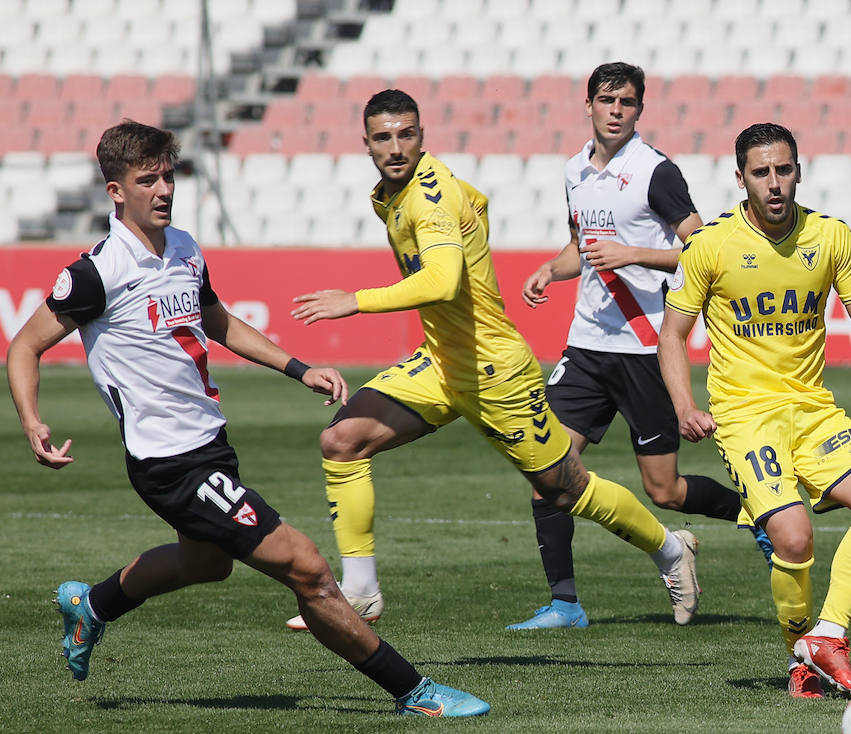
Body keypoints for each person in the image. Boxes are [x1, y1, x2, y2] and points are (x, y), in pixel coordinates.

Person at [7, 120, 486, 717]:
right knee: (307, 567)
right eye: (146, 180)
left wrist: (298, 368)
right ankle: (415, 691)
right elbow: (24, 346)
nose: (163, 189)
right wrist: (32, 421)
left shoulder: (183, 247)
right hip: (168, 462)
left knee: (205, 562)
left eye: (168, 176)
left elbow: (219, 322)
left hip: (209, 444)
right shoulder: (95, 273)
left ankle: (93, 605)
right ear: (115, 192)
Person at [288, 89, 700, 631]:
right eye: (383, 138)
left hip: (493, 369)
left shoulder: (428, 199)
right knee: (341, 441)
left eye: (406, 134)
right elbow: (476, 201)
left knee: (566, 488)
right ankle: (361, 592)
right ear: (365, 144)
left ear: (422, 135)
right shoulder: (395, 192)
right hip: (441, 362)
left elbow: (441, 280)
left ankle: (670, 550)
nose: (395, 147)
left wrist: (354, 301)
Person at [658, 122, 851, 698]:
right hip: (744, 415)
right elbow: (672, 334)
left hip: (812, 409)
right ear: (741, 178)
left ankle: (827, 637)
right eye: (761, 172)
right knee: (794, 538)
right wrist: (685, 403)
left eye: (784, 170)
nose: (775, 183)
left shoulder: (831, 237)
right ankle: (799, 654)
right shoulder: (710, 245)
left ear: (799, 171)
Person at [510, 62, 769, 631]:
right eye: (607, 100)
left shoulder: (655, 172)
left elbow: (701, 250)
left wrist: (634, 254)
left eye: (627, 102)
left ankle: (756, 515)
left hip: (647, 348)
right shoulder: (575, 170)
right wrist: (550, 271)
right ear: (589, 105)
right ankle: (565, 604)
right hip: (586, 346)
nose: (616, 110)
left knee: (666, 490)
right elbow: (582, 246)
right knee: (547, 472)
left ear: (638, 110)